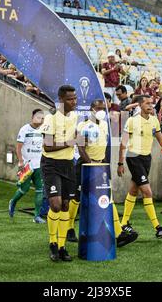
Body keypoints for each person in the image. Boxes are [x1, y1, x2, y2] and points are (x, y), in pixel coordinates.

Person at [66, 99, 138, 247]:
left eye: (103, 109)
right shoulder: (83, 125)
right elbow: (81, 147)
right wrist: (90, 164)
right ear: (92, 109)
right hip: (85, 165)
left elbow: (103, 146)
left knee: (107, 197)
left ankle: (118, 233)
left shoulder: (105, 124)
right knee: (76, 197)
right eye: (98, 108)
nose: (101, 111)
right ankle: (69, 228)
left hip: (100, 165)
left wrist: (102, 164)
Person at [117, 95, 162, 238]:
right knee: (147, 192)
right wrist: (120, 163)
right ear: (140, 105)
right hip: (134, 157)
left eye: (152, 103)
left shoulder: (154, 120)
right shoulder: (131, 121)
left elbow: (161, 140)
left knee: (133, 189)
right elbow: (123, 143)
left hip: (146, 158)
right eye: (147, 103)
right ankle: (158, 227)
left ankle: (124, 223)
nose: (151, 105)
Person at [40, 85, 78, 262]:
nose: (74, 101)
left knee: (65, 205)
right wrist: (70, 142)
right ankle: (52, 242)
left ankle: (62, 247)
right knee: (55, 204)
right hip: (51, 164)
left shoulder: (75, 117)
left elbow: (75, 136)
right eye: (70, 99)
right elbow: (47, 146)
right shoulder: (51, 118)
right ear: (61, 100)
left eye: (75, 98)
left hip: (68, 164)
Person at [9, 109, 46, 224]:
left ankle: (36, 216)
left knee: (40, 190)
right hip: (27, 165)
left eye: (42, 117)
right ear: (33, 117)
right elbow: (18, 147)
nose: (40, 120)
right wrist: (20, 162)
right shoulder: (24, 129)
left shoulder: (44, 130)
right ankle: (13, 202)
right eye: (38, 117)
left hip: (39, 165)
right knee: (24, 189)